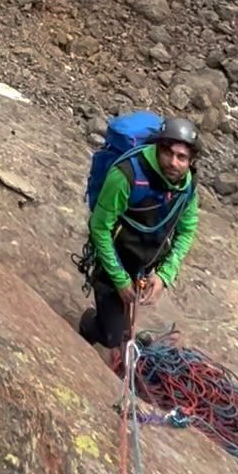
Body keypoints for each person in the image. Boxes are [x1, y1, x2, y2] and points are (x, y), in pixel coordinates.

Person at [79, 115, 199, 352]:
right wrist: (120, 280)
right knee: (112, 337)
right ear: (157, 148)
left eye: (182, 157)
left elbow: (187, 230)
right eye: (168, 153)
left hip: (144, 262)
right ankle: (88, 325)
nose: (174, 163)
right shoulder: (126, 175)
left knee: (125, 326)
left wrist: (165, 275)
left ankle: (119, 323)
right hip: (113, 258)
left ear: (191, 160)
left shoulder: (187, 185)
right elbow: (100, 226)